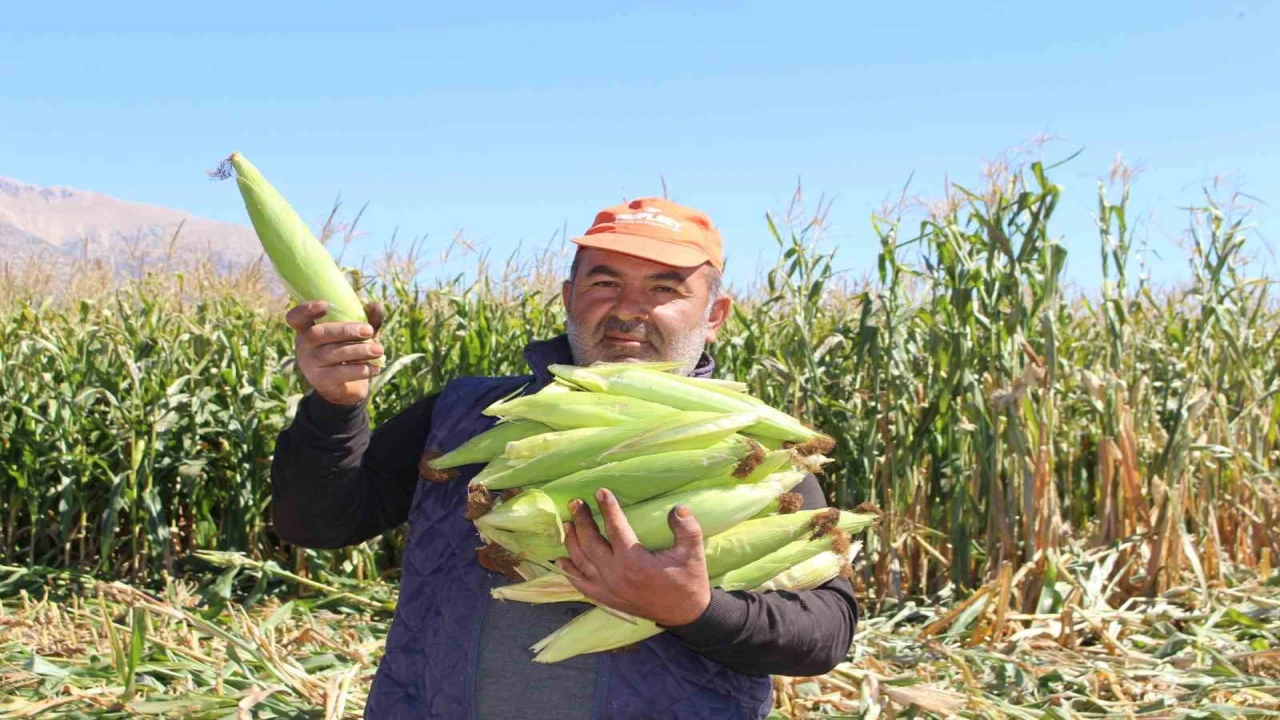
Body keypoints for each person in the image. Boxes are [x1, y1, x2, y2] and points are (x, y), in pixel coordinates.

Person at [271, 198, 859, 720]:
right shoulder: (465, 416)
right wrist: (333, 408)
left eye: (664, 289)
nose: (629, 309)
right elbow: (318, 524)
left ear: (715, 317)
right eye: (605, 284)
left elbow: (825, 632)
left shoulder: (757, 451)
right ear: (569, 298)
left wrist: (695, 608)